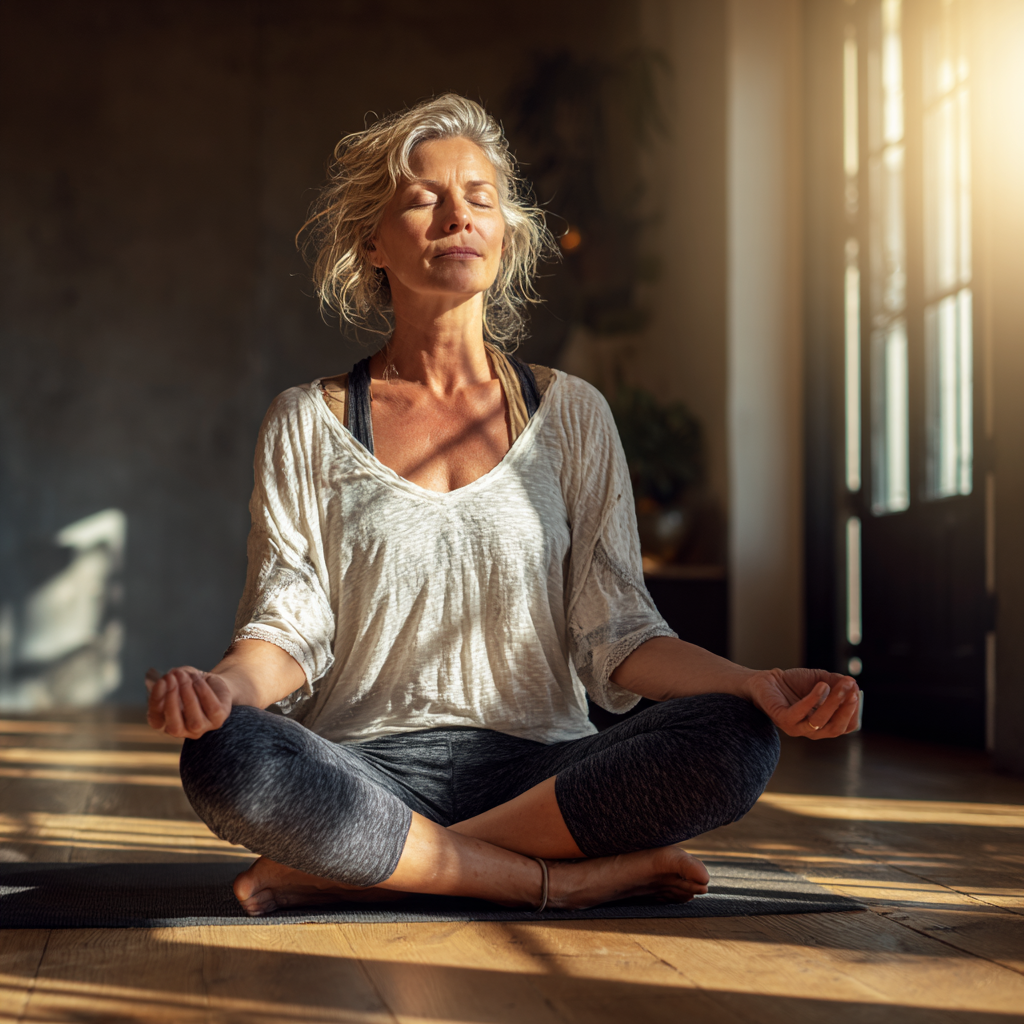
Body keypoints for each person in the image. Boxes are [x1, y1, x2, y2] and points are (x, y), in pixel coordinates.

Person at [146, 94, 860, 916]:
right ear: (373, 243)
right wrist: (220, 691)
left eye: (479, 198)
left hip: (541, 772)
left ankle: (371, 865)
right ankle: (555, 880)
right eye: (425, 198)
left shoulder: (573, 412)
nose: (458, 215)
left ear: (505, 236)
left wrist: (755, 684)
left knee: (737, 736)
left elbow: (621, 631)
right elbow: (287, 627)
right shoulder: (308, 420)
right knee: (227, 754)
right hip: (367, 772)